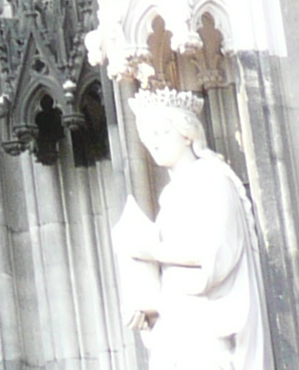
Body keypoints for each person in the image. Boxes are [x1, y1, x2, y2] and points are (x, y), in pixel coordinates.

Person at [116, 89, 271, 369]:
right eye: (148, 138)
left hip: (205, 322)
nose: (154, 144)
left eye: (161, 133)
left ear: (187, 134)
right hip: (175, 323)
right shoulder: (170, 196)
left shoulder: (212, 179)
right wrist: (149, 304)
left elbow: (215, 252)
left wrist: (152, 251)